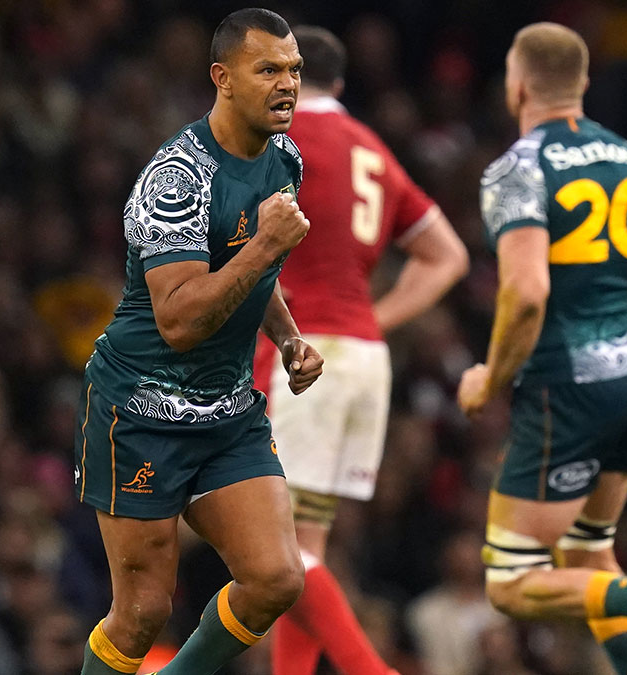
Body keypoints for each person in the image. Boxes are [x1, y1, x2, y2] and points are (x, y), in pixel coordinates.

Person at [457, 23, 627, 675]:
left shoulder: (517, 169)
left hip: (565, 386)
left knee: (511, 581)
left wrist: (489, 379)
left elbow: (526, 293)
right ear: (582, 85)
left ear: (517, 84)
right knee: (587, 554)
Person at [73, 9, 323, 675]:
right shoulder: (177, 177)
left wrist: (290, 336)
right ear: (223, 78)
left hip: (228, 413)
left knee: (276, 577)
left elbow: (252, 274)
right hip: (141, 412)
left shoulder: (284, 159)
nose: (288, 85)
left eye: (294, 71)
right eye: (267, 69)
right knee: (141, 615)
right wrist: (267, 243)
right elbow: (180, 318)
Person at [250, 25, 469, 675]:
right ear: (340, 83)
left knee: (269, 543)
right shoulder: (372, 148)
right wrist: (377, 316)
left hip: (303, 356)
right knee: (304, 543)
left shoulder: (277, 140)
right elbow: (447, 256)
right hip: (365, 358)